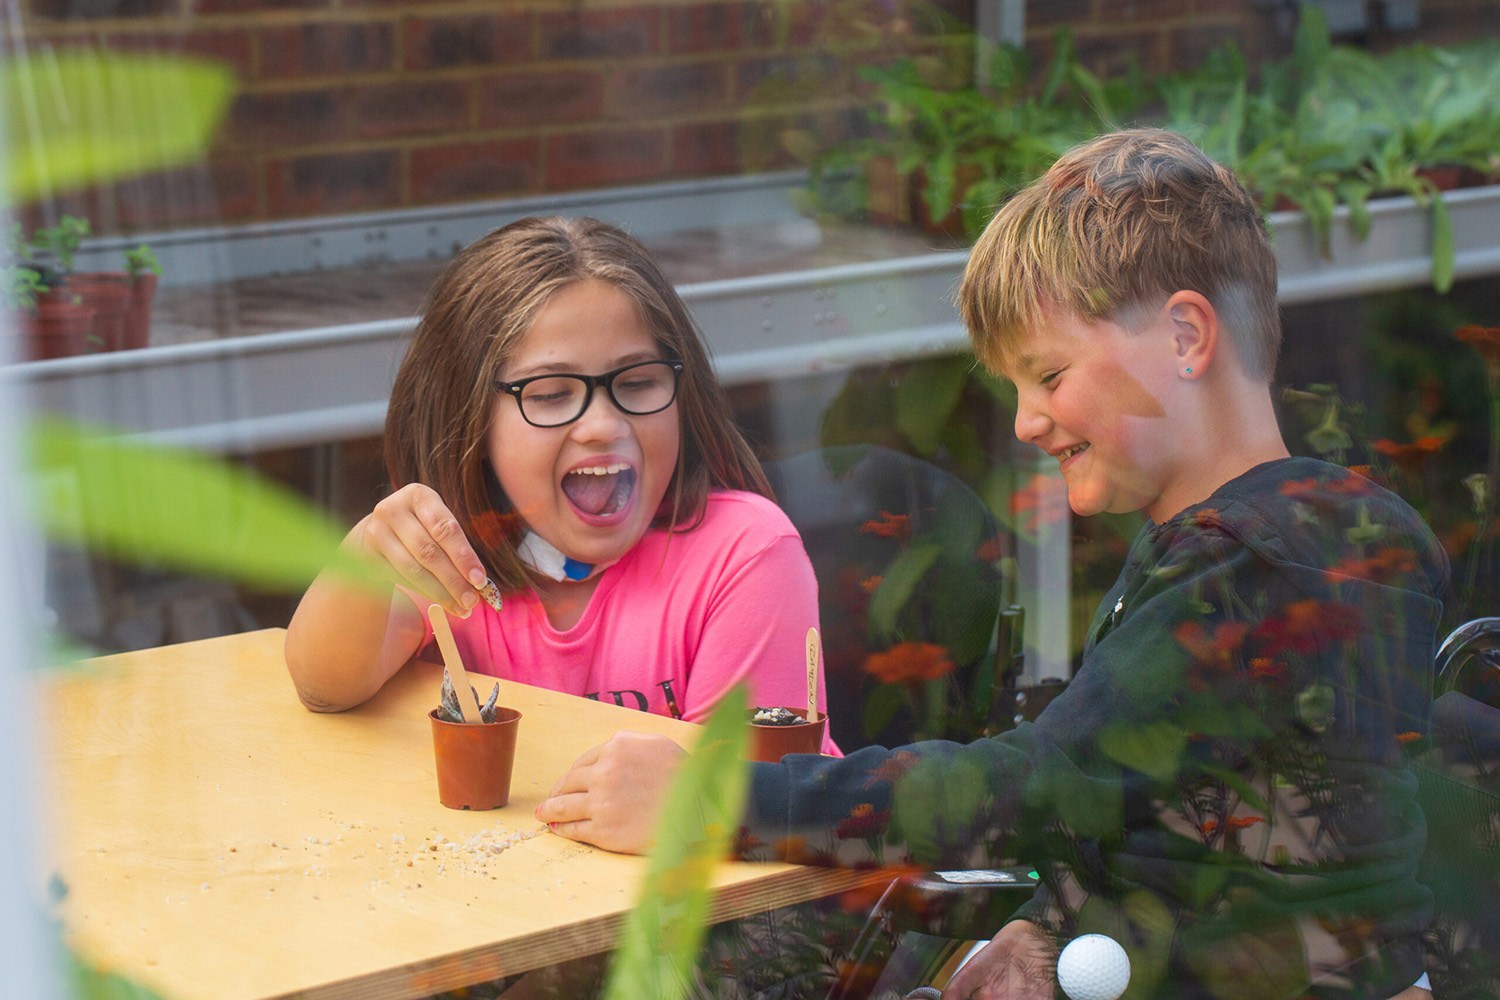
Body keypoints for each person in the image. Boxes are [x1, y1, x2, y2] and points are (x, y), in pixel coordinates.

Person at [535, 129, 1446, 999]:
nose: (1026, 421)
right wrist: (1048, 925)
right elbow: (1166, 814)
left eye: (1049, 375)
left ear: (1184, 338)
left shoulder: (1248, 568)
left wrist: (713, 798)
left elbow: (1033, 789)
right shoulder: (1294, 541)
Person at [285, 216, 836, 752]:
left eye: (638, 383)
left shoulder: (745, 552)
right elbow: (324, 686)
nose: (602, 425)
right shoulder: (449, 555)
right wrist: (369, 555)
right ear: (469, 417)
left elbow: (750, 791)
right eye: (550, 394)